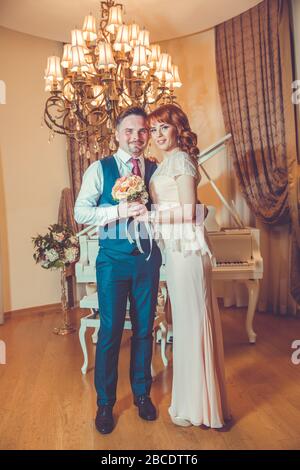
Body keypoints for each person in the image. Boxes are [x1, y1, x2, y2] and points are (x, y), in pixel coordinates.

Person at [138, 104, 231, 428]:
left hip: (188, 251)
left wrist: (149, 216)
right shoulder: (165, 164)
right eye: (154, 129)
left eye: (165, 127)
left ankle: (202, 407)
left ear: (179, 129)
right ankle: (199, 403)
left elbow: (191, 211)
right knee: (189, 325)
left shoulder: (180, 160)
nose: (158, 135)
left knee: (193, 324)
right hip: (177, 252)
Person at [74, 107, 162, 434]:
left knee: (143, 329)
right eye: (129, 131)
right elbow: (81, 212)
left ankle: (142, 394)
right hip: (112, 261)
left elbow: (166, 210)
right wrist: (120, 209)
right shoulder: (100, 169)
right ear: (116, 133)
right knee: (110, 332)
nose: (136, 137)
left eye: (142, 131)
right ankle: (105, 404)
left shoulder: (156, 170)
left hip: (147, 260)